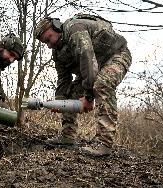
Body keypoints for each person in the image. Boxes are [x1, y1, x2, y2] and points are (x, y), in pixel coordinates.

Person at [34, 13, 132, 157]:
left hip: (116, 55)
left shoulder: (74, 29)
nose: (49, 45)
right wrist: (59, 102)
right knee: (70, 93)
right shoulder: (57, 52)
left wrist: (88, 97)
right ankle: (67, 136)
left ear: (56, 27)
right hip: (92, 66)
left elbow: (87, 59)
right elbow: (63, 79)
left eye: (49, 39)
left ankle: (104, 144)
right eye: (45, 43)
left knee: (102, 84)